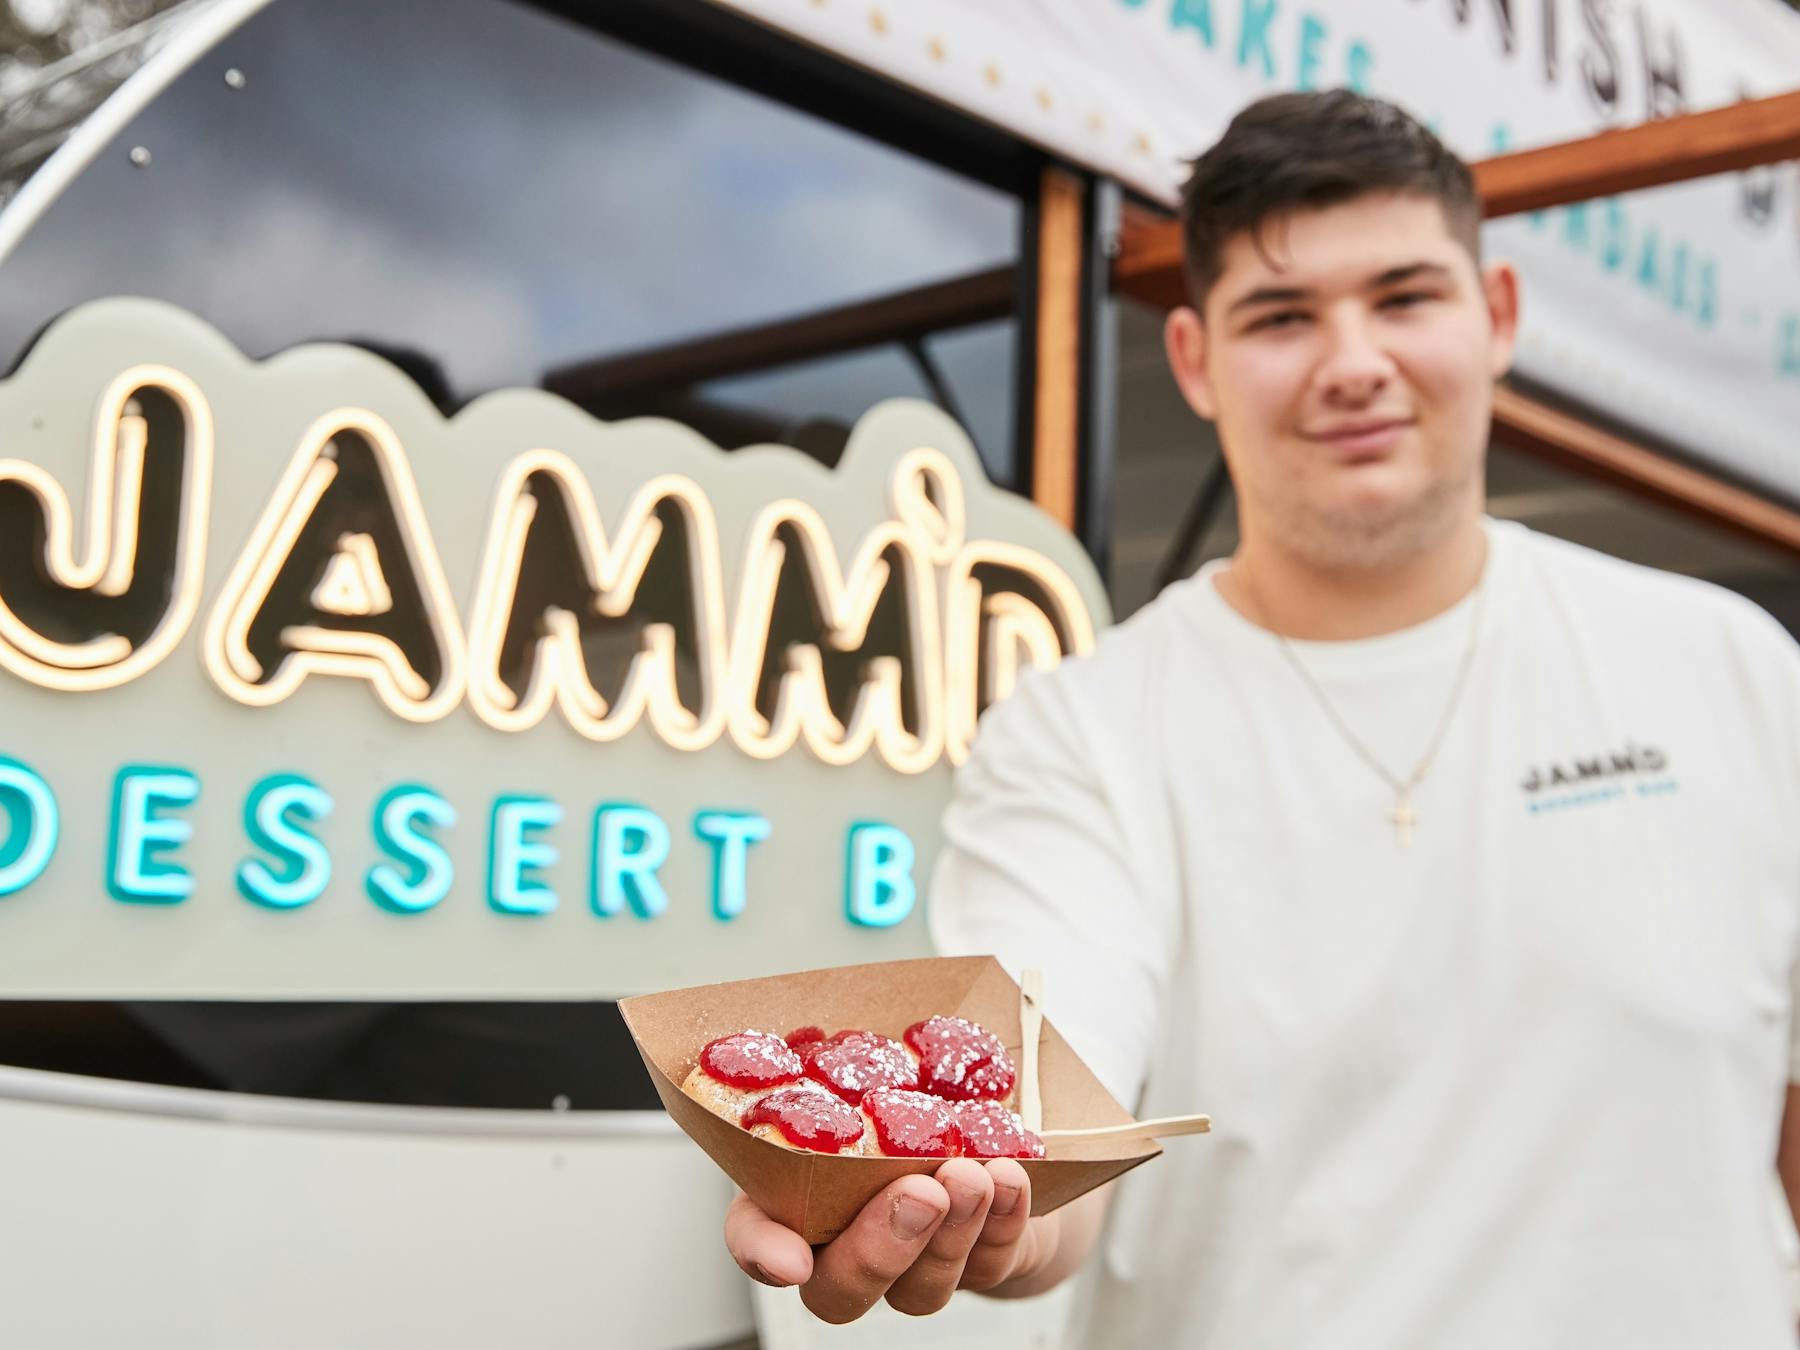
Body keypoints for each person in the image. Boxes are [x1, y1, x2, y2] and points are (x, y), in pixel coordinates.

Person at [725, 89, 1800, 1346]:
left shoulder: (1731, 668)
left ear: (1496, 316)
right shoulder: (1085, 729)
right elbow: (1050, 1094)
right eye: (1282, 316)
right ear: (1194, 360)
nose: (1354, 364)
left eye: (1405, 297)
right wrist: (968, 1194)